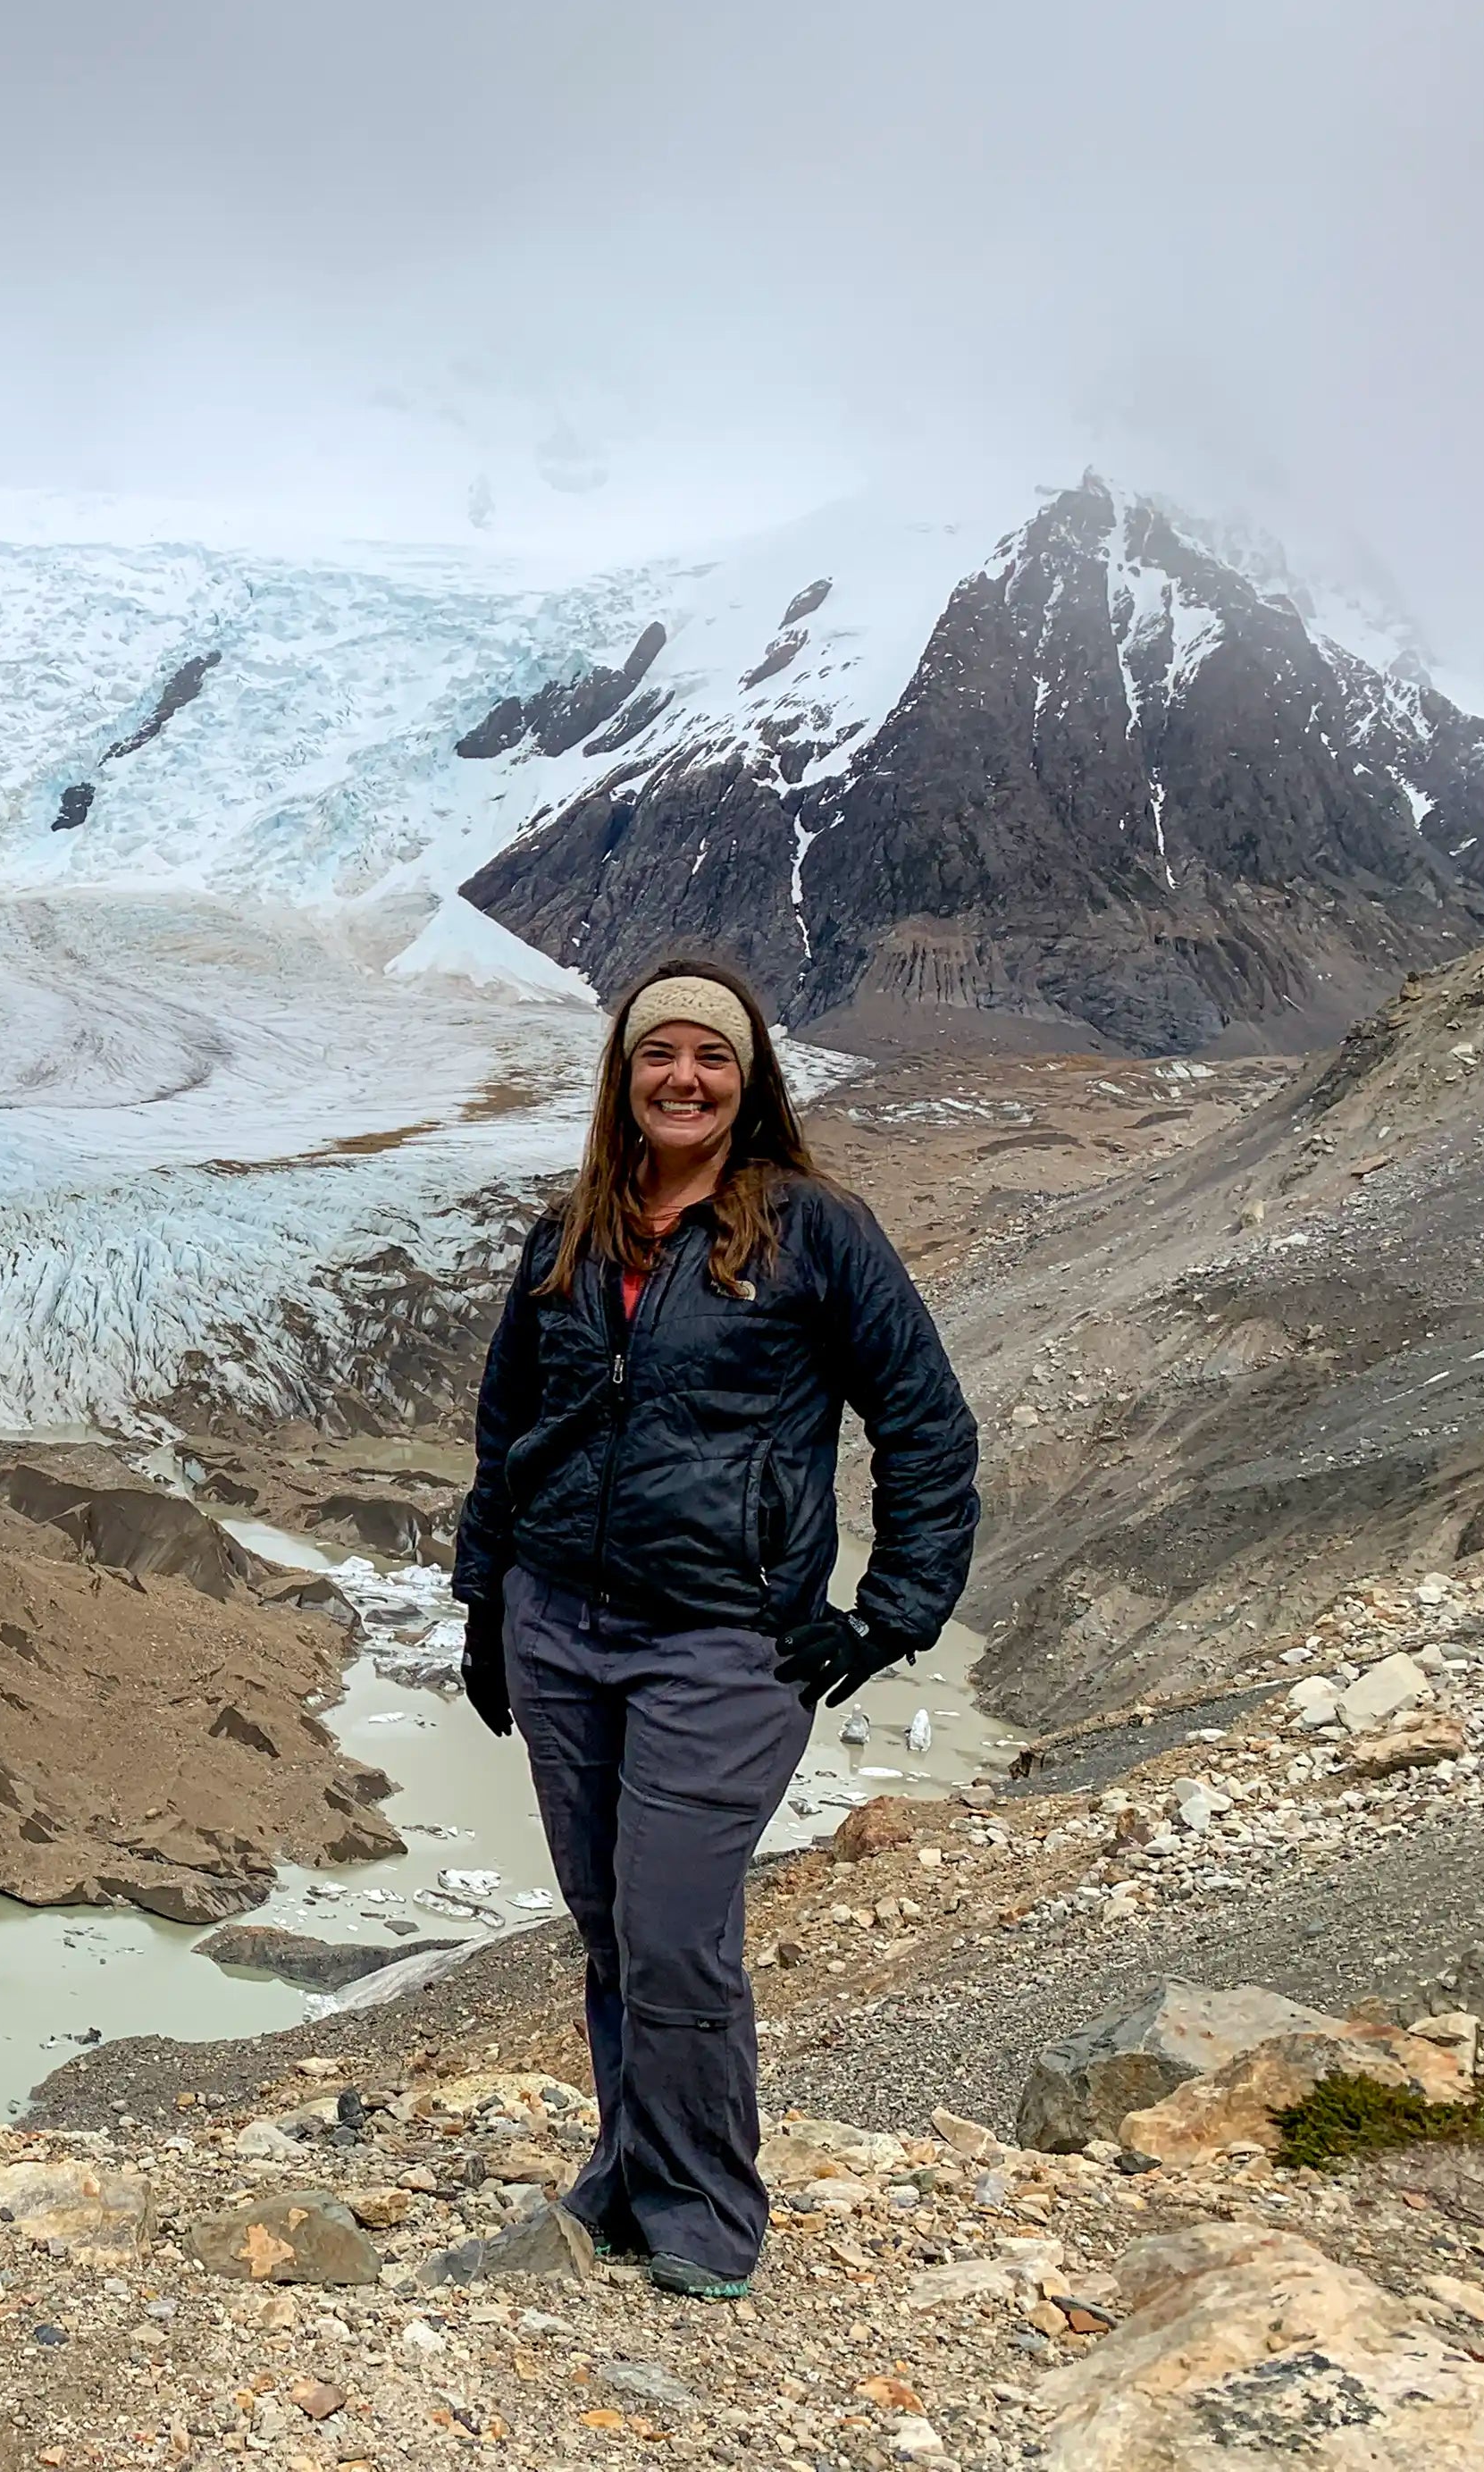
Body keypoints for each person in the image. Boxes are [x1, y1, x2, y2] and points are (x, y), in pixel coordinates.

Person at [449, 959, 978, 2299]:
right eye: (657, 1056)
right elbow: (509, 1424)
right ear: (623, 1077)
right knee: (611, 1922)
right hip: (561, 1624)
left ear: (750, 1082)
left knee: (678, 1923)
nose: (682, 1079)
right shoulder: (575, 1226)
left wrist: (894, 1613)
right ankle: (631, 2167)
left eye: (711, 1058)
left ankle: (701, 2207)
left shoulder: (816, 1230)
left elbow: (922, 1421)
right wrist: (484, 1604)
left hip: (724, 1641)